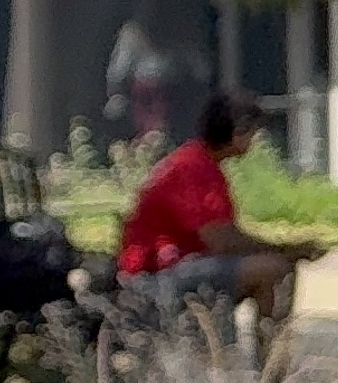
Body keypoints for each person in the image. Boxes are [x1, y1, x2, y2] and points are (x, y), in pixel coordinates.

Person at [115, 93, 322, 341]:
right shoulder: (195, 169)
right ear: (237, 132)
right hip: (155, 277)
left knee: (271, 266)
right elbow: (221, 241)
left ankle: (257, 352)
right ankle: (273, 359)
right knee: (275, 270)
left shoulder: (195, 160)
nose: (255, 140)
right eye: (253, 132)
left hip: (170, 267)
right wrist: (286, 250)